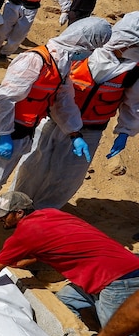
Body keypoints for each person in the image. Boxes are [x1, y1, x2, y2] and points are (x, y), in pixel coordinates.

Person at [0, 18, 112, 240]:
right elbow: (5, 100)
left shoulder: (62, 65)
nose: (89, 54)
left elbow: (62, 102)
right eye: (91, 48)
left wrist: (74, 133)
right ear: (82, 42)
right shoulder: (35, 60)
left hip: (23, 132)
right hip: (0, 132)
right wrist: (4, 134)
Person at [0, 190, 139, 336]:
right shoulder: (52, 214)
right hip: (127, 265)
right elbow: (54, 245)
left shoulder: (25, 233)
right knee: (65, 299)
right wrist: (26, 260)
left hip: (115, 281)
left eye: (4, 216)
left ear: (19, 213)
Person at [11, 12, 139, 208]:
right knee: (32, 164)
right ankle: (15, 206)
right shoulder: (85, 51)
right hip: (53, 120)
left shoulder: (134, 70)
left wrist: (125, 131)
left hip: (90, 130)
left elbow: (134, 104)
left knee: (68, 176)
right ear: (126, 41)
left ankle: (44, 212)